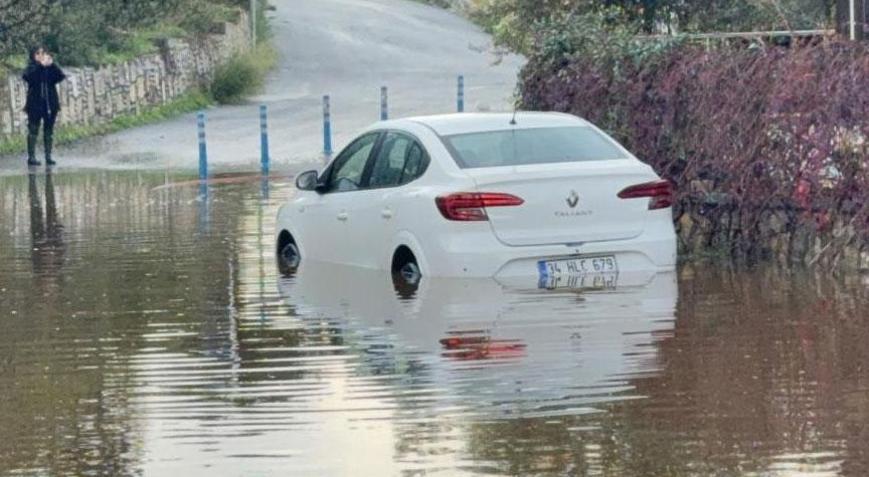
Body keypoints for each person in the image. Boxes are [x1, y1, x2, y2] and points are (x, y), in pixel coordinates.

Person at [22, 46, 66, 167]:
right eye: (38, 53)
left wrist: (52, 64)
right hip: (35, 104)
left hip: (50, 103)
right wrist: (40, 66)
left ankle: (48, 156)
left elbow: (60, 76)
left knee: (49, 131)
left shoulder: (49, 68)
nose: (41, 55)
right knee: (33, 130)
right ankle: (31, 157)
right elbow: (28, 77)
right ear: (33, 55)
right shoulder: (31, 67)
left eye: (42, 53)